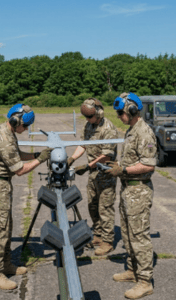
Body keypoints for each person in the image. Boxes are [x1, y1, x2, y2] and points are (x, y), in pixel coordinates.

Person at [0, 104, 52, 290]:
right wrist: (41, 159)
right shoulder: (3, 137)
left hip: (2, 184)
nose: (26, 129)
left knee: (6, 226)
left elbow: (17, 155)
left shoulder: (8, 132)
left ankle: (6, 265)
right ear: (16, 121)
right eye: (26, 126)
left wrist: (36, 154)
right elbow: (20, 169)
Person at [105, 92, 156, 299]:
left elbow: (148, 164)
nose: (118, 116)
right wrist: (119, 166)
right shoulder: (131, 131)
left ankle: (145, 281)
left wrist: (123, 171)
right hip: (128, 190)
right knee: (127, 234)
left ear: (132, 110)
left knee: (139, 237)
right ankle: (132, 270)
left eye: (120, 112)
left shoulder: (144, 133)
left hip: (139, 190)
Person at [67, 98, 118, 256]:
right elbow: (83, 144)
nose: (88, 120)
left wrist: (88, 166)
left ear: (99, 113)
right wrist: (72, 159)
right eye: (86, 117)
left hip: (106, 173)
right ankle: (98, 234)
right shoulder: (89, 125)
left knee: (105, 207)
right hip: (93, 173)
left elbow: (105, 155)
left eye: (90, 117)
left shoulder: (108, 128)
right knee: (92, 205)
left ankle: (108, 241)